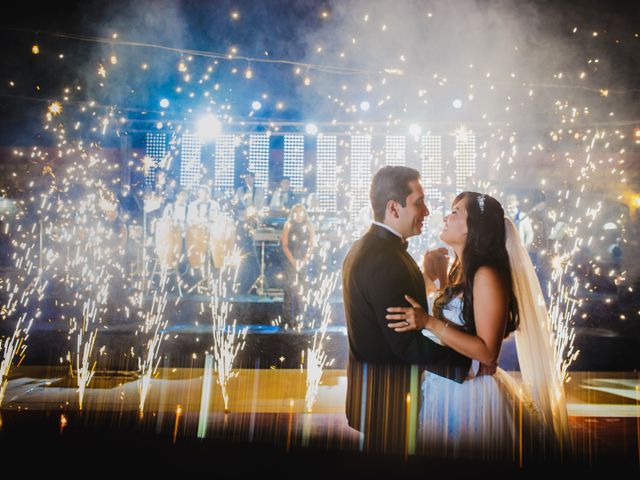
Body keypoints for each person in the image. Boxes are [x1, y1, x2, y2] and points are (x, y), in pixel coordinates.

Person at [386, 192, 572, 461]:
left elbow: (486, 353)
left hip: (472, 397)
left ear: (474, 228)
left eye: (456, 212)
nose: (446, 217)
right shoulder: (459, 271)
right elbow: (458, 322)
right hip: (447, 384)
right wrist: (432, 278)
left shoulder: (486, 275)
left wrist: (428, 322)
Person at [342, 166, 474, 455]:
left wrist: (428, 282)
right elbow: (404, 343)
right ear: (393, 207)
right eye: (418, 202)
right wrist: (464, 366)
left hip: (376, 396)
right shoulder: (385, 259)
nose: (426, 211)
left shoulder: (368, 248)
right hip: (390, 400)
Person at [281, 204, 314, 326]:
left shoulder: (309, 226)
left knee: (303, 291)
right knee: (289, 291)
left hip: (304, 261)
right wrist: (293, 260)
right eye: (296, 212)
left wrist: (304, 260)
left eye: (301, 212)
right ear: (293, 213)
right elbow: (284, 244)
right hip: (291, 260)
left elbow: (311, 245)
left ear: (304, 214)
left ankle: (302, 319)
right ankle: (288, 320)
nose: (298, 215)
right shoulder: (288, 225)